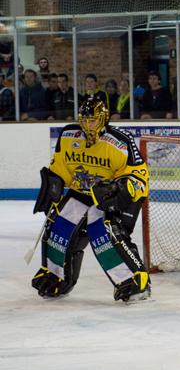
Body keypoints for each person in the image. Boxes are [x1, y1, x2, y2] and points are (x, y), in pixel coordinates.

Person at [31, 95, 151, 303]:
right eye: (84, 120)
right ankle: (57, 276)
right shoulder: (69, 135)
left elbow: (139, 176)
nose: (87, 125)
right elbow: (60, 168)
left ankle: (133, 280)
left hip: (110, 198)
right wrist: (54, 184)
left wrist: (117, 189)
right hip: (81, 193)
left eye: (92, 120)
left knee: (103, 232)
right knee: (57, 225)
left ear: (103, 119)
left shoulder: (121, 141)